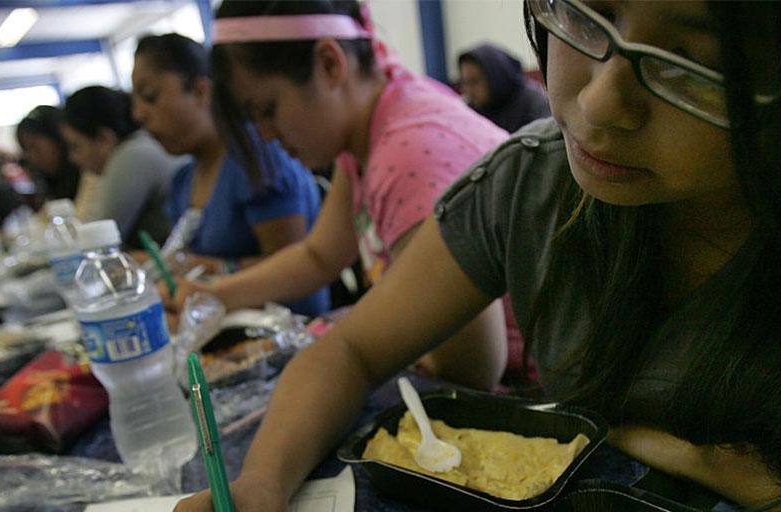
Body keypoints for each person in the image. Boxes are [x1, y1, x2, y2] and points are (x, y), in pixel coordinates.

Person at [175, 1, 781, 511]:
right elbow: (355, 347)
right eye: (581, 14)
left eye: (693, 60)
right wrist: (261, 485)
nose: (602, 102)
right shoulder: (535, 184)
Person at [164, 0, 521, 390]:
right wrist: (213, 296)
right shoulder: (372, 125)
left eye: (268, 109)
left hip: (530, 391)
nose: (266, 135)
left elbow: (473, 368)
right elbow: (319, 256)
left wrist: (349, 337)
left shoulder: (408, 153)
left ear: (330, 64)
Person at [131, 33, 328, 317]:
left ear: (201, 91)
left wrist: (205, 270)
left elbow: (296, 270)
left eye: (150, 97)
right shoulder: (182, 180)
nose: (138, 114)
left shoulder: (256, 157)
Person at [61, 86, 186, 249]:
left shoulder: (131, 156)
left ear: (103, 138)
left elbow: (99, 243)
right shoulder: (137, 146)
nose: (73, 158)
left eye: (76, 147)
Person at [457, 42, 551, 133]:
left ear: (494, 78)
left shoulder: (535, 102)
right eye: (464, 82)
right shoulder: (471, 110)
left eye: (474, 81)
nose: (468, 90)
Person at [15, 105, 82, 206]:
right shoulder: (48, 181)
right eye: (26, 150)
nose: (32, 157)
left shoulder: (88, 174)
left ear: (59, 139)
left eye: (35, 147)